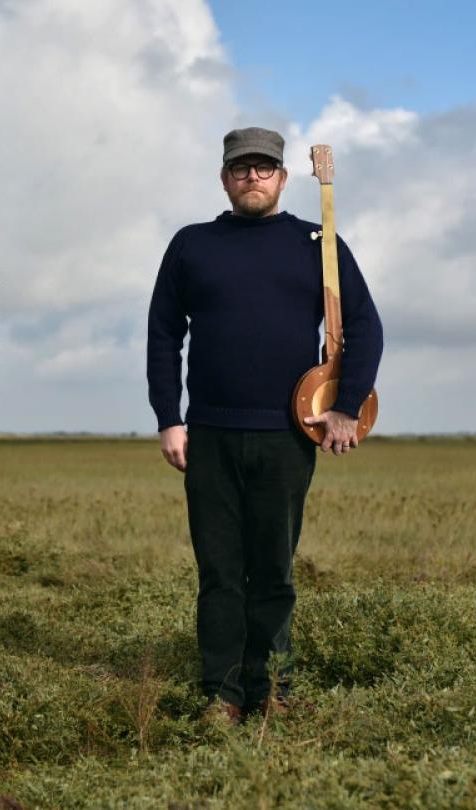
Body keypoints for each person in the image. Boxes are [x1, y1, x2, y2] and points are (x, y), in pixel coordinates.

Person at [146, 126, 383, 724]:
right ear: (224, 177)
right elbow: (163, 335)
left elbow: (364, 327)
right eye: (240, 168)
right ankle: (222, 695)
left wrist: (347, 407)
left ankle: (273, 686)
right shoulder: (191, 245)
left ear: (281, 176)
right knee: (220, 571)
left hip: (286, 435)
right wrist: (169, 418)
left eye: (264, 168)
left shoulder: (318, 244)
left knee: (272, 570)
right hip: (210, 436)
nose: (252, 177)